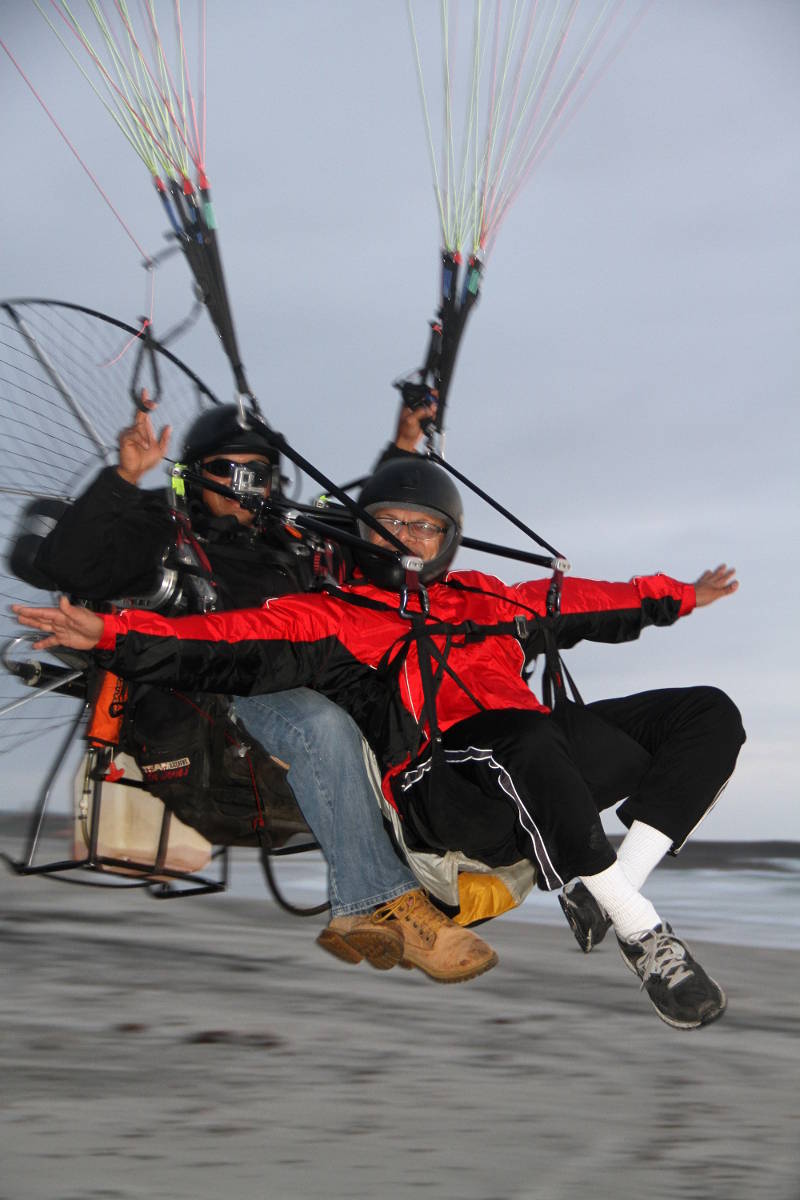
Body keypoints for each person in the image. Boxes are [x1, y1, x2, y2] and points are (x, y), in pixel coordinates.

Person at [14, 456, 745, 1029]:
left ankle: (610, 886)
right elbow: (221, 640)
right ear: (362, 534)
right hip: (446, 789)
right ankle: (646, 937)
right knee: (522, 740)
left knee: (707, 713)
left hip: (536, 767)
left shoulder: (488, 597)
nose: (405, 537)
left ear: (448, 538)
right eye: (389, 522)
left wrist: (682, 595)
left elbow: (589, 600)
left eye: (424, 526)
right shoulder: (337, 616)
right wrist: (111, 634)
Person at [24, 397, 497, 984]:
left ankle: (465, 868)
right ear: (196, 473)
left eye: (257, 472)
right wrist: (124, 477)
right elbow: (67, 566)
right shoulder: (162, 532)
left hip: (293, 692)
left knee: (430, 701)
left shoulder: (296, 540)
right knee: (322, 724)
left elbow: (377, 532)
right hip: (213, 700)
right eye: (226, 469)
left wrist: (401, 450)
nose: (243, 484)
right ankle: (381, 904)